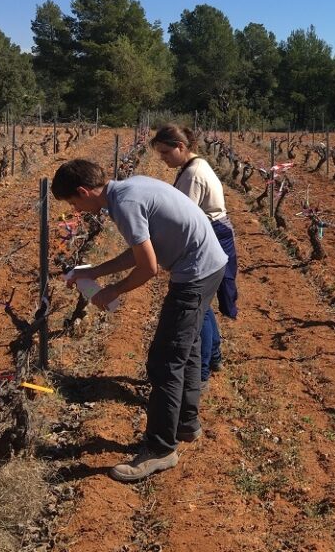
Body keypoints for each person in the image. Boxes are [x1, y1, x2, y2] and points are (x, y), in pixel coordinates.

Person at [52, 159, 227, 482]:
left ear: (82, 191)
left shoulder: (125, 205)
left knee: (164, 362)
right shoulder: (129, 188)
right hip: (210, 264)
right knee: (185, 351)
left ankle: (161, 449)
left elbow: (148, 268)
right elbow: (140, 252)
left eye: (74, 203)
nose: (77, 210)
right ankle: (186, 423)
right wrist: (94, 272)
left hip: (196, 272)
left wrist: (110, 291)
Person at [149, 123, 240, 390]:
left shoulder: (193, 175)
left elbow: (181, 219)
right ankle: (213, 357)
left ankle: (200, 373)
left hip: (212, 237)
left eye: (166, 153)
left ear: (181, 147)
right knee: (203, 304)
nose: (163, 158)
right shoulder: (192, 167)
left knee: (197, 306)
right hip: (214, 233)